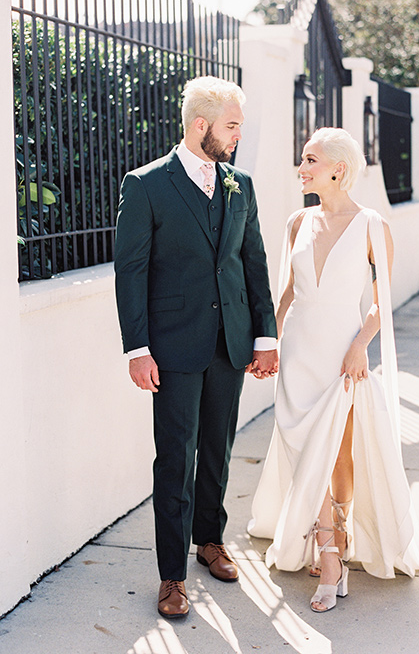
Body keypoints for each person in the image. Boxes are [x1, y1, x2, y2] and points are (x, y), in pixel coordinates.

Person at [247, 127, 419, 613]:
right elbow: (287, 293)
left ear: (339, 169)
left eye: (310, 160)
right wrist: (269, 343)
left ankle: (333, 549)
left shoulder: (372, 225)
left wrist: (359, 346)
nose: (302, 168)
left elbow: (381, 302)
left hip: (341, 353)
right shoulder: (296, 222)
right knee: (302, 443)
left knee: (339, 453)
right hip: (299, 354)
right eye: (303, 159)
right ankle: (332, 536)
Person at [115, 76, 278, 619]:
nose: (237, 136)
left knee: (219, 448)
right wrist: (136, 348)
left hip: (230, 342)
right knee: (175, 459)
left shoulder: (242, 185)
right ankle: (171, 575)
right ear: (200, 124)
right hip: (172, 346)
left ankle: (210, 540)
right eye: (232, 125)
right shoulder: (146, 186)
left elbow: (253, 264)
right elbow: (130, 272)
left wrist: (265, 336)